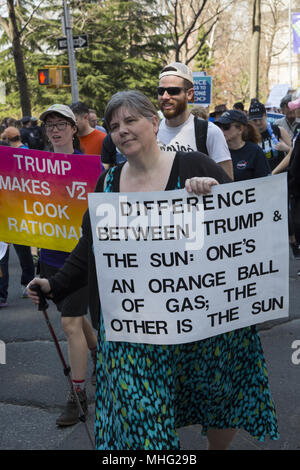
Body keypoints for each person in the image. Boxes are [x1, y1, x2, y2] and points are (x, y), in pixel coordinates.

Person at [27, 90, 279, 450]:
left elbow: (240, 230)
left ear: (154, 123)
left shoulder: (195, 166)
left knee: (220, 399)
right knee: (137, 418)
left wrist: (215, 195)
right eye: (114, 126)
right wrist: (54, 283)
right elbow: (90, 246)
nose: (122, 131)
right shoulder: (108, 183)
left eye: (131, 121)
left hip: (201, 320)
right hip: (132, 325)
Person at [37, 104, 98, 426]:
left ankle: (77, 395)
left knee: (70, 323)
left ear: (75, 128)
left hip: (80, 257)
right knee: (73, 316)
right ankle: (98, 355)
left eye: (61, 124)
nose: (55, 130)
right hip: (48, 256)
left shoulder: (90, 167)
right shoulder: (35, 168)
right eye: (50, 126)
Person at [157, 62, 233, 179]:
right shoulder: (151, 131)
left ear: (189, 94)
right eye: (161, 91)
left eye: (173, 91)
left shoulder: (209, 132)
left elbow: (227, 183)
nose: (165, 97)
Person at [0, 134, 35, 307]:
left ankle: (28, 282)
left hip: (17, 216)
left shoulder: (15, 167)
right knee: (2, 257)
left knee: (23, 252)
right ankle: (1, 294)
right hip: (2, 220)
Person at [214, 109, 271, 181]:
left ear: (240, 129)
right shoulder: (216, 151)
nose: (221, 130)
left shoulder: (255, 151)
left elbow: (265, 181)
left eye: (226, 127)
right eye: (219, 126)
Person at [248, 99, 291, 171]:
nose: (258, 122)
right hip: (260, 177)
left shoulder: (279, 130)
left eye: (260, 118)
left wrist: (286, 148)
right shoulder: (248, 136)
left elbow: (294, 153)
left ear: (265, 115)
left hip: (280, 175)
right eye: (255, 120)